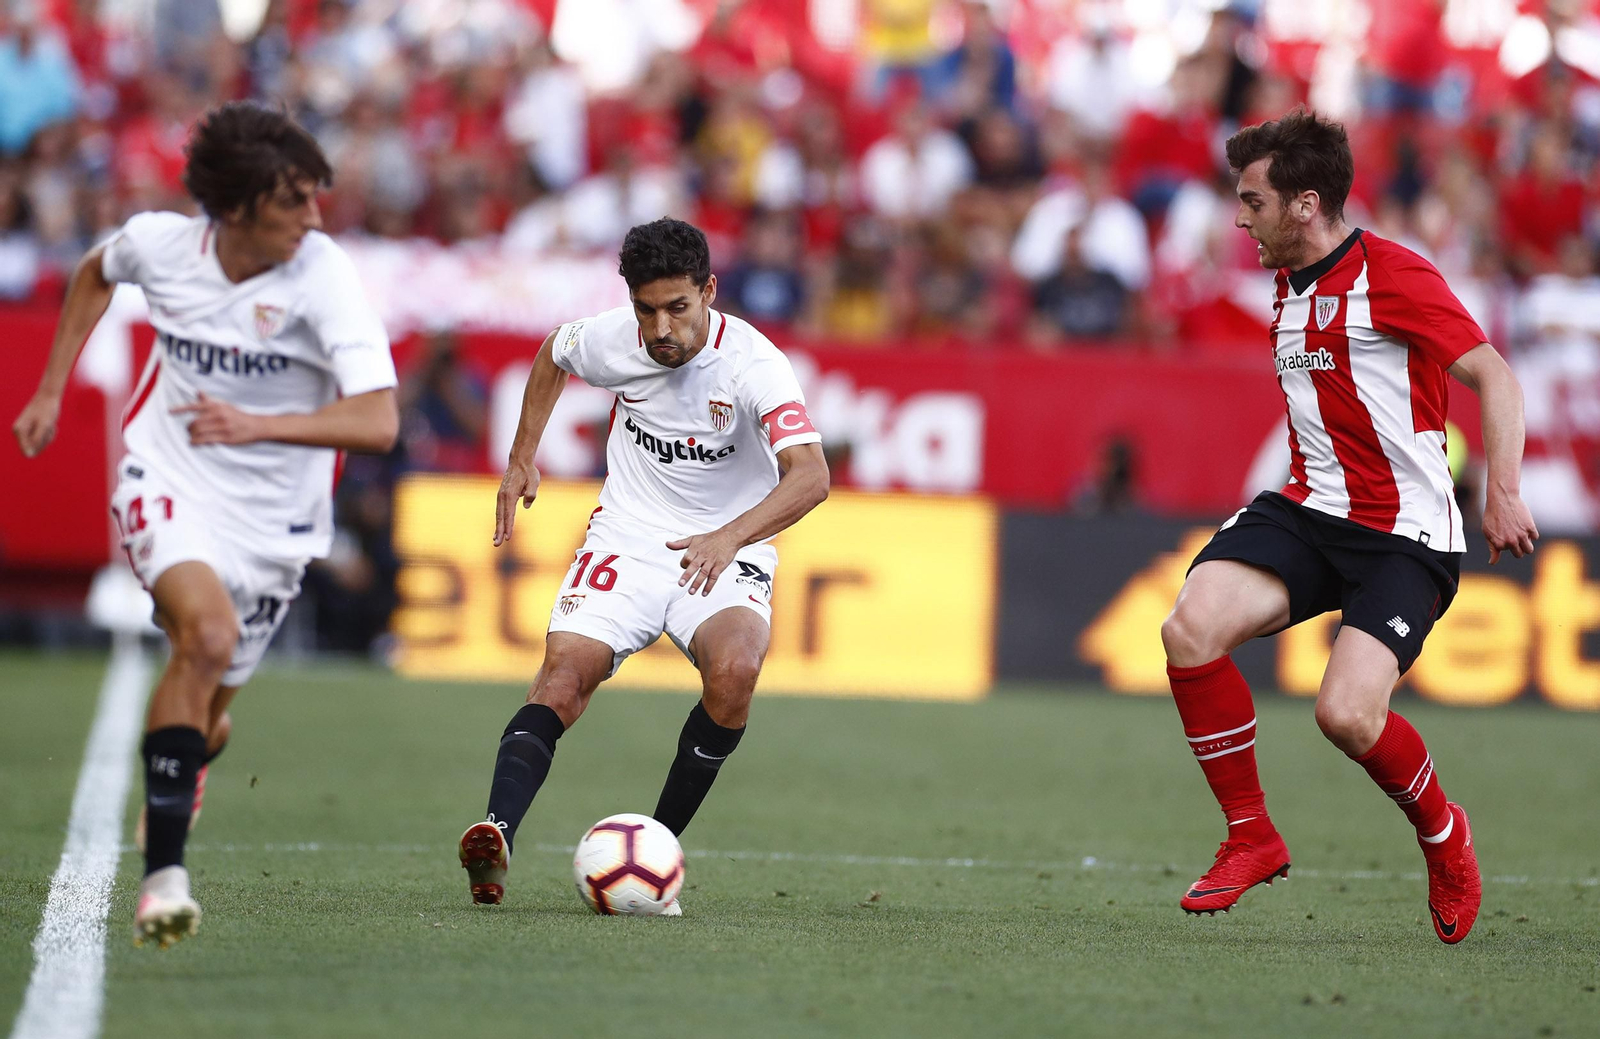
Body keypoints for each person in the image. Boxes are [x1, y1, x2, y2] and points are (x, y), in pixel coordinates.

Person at [11, 101, 398, 948]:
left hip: (277, 526)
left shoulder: (321, 274)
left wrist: (261, 425)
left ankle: (184, 769)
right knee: (207, 636)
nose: (315, 216)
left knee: (210, 713)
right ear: (237, 206)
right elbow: (93, 272)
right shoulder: (162, 244)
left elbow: (377, 421)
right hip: (170, 476)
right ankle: (165, 882)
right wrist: (49, 388)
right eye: (295, 200)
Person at [1159, 108, 1538, 944]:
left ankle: (1445, 836)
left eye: (1253, 199)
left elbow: (1496, 378)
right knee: (1189, 628)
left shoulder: (1393, 274)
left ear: (1304, 204)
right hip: (1308, 509)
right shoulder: (1285, 280)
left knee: (1347, 715)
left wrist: (1502, 489)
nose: (1239, 216)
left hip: (1405, 533)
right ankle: (1251, 835)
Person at [457, 218, 829, 911]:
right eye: (646, 309)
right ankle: (496, 833)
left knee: (736, 671)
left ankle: (658, 841)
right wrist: (520, 456)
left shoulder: (754, 364)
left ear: (710, 292)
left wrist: (729, 536)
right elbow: (552, 354)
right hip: (627, 537)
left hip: (728, 544)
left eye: (678, 308)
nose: (662, 328)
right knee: (563, 677)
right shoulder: (611, 340)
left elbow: (811, 476)